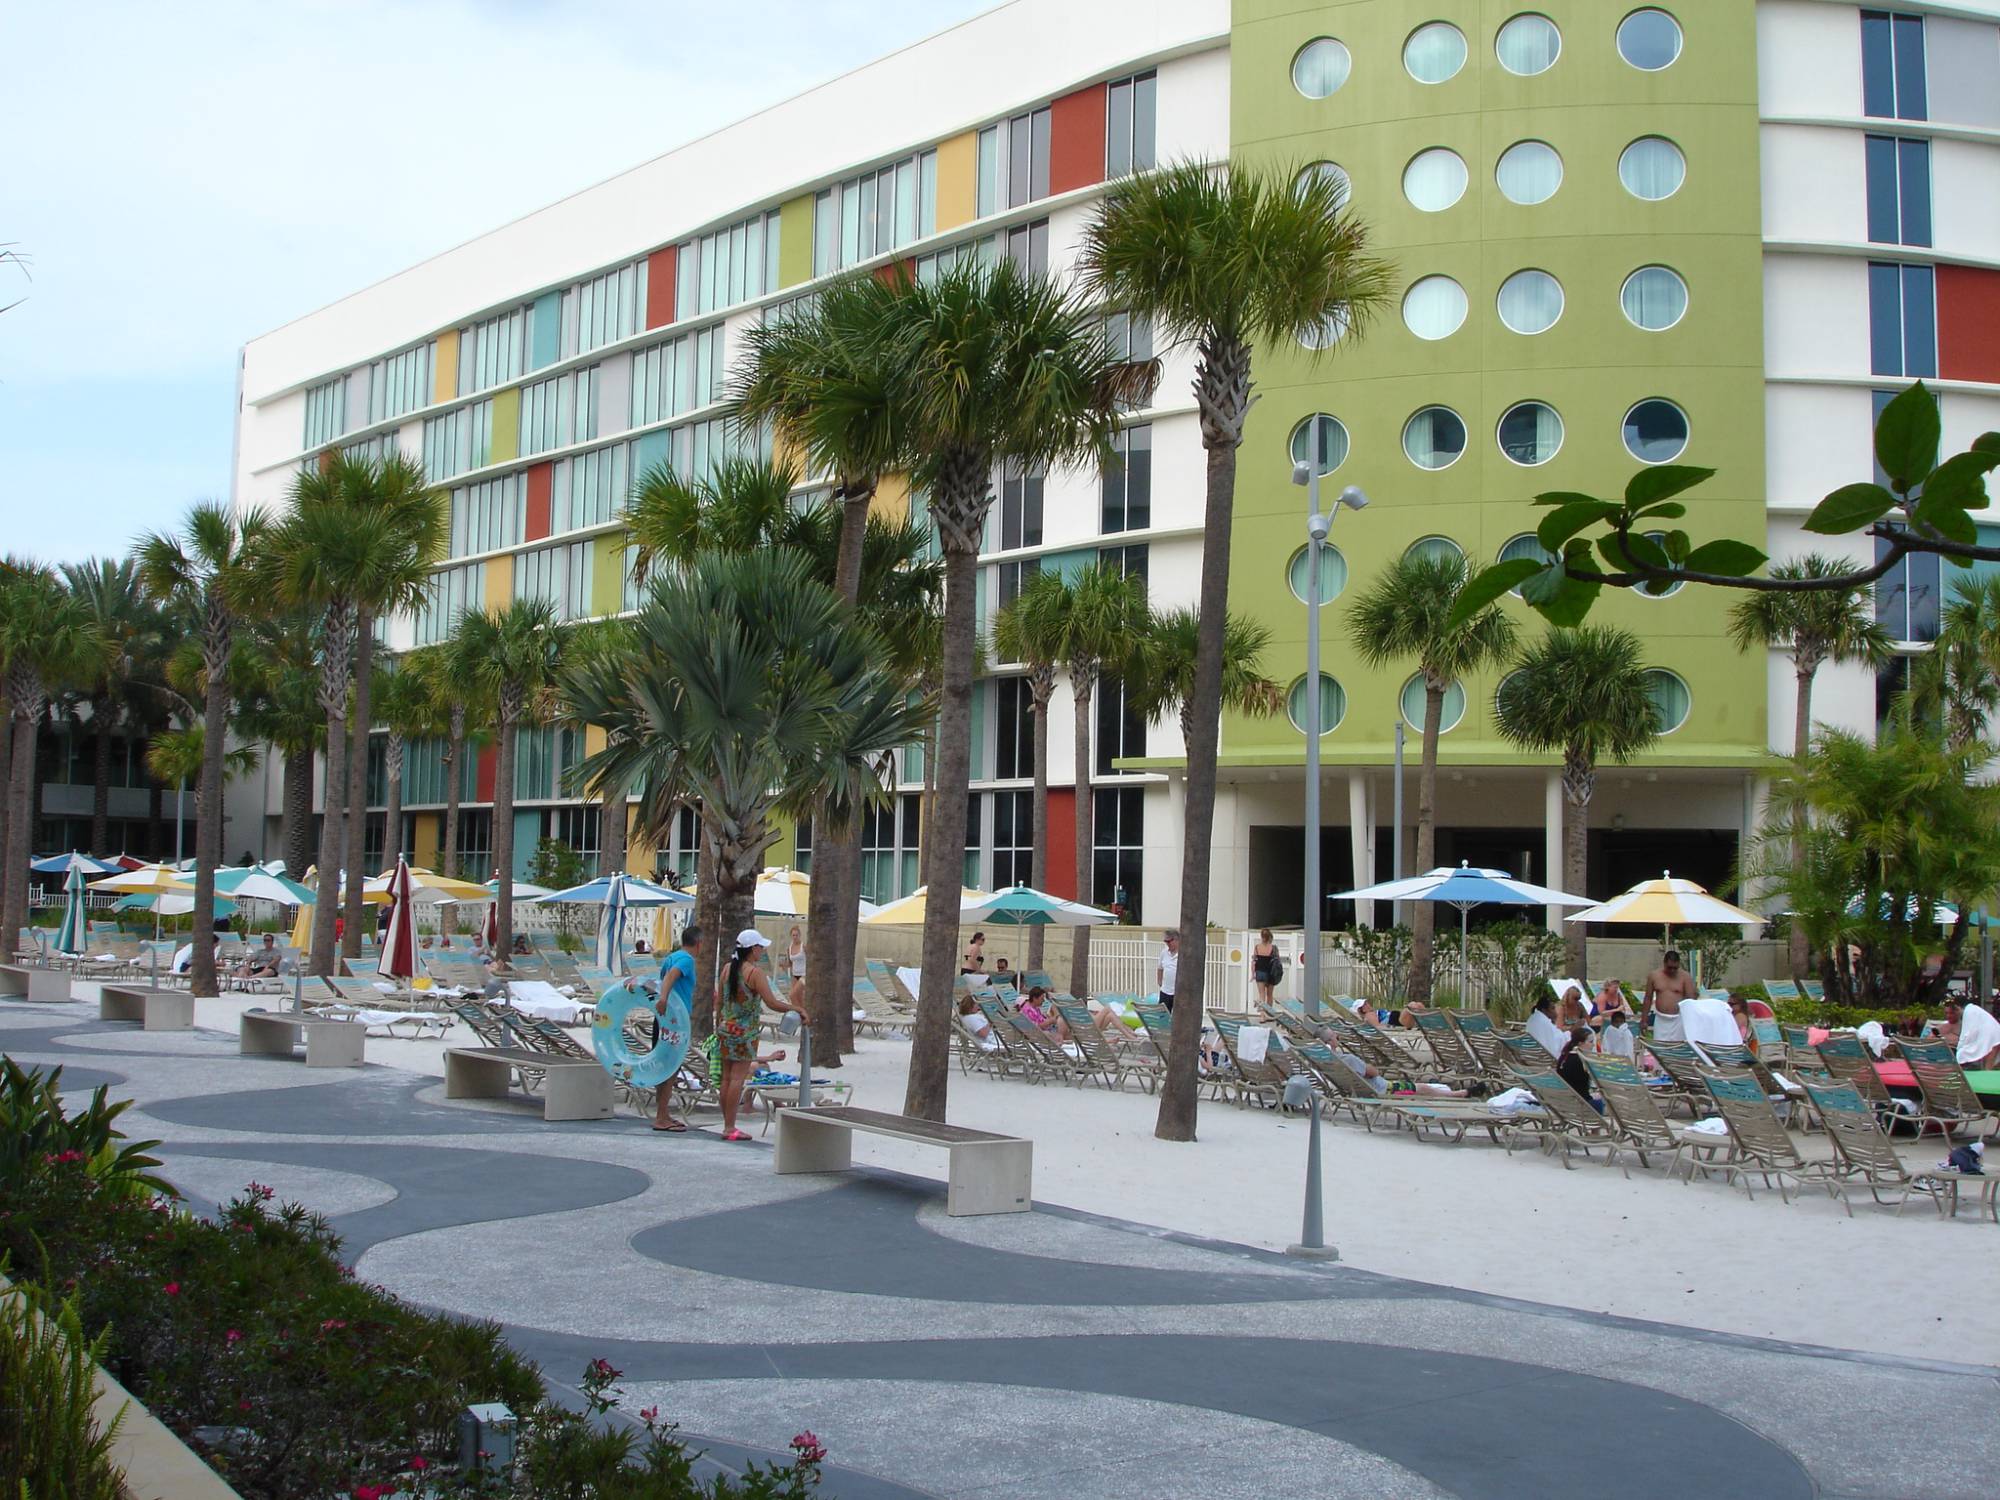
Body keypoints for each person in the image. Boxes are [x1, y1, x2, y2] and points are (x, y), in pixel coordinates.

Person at [714, 929, 802, 1142]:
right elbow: (771, 1003)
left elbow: (719, 1001)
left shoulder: (727, 969)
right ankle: (730, 1127)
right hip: (745, 1033)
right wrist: (797, 1009)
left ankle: (727, 1123)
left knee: (726, 1078)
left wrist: (718, 1025)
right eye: (760, 947)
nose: (762, 951)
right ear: (753, 949)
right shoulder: (754, 974)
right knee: (737, 1079)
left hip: (725, 1028)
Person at [650, 927, 704, 1133]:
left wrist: (662, 999)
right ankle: (661, 1117)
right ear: (698, 943)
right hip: (674, 1020)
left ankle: (662, 1114)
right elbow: (671, 977)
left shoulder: (671, 957)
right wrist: (663, 999)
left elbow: (665, 977)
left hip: (662, 1018)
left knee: (664, 1066)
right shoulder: (687, 960)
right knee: (671, 1067)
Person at [1640, 949, 1697, 1042]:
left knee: (1678, 1049)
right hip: (1660, 1019)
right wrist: (1644, 1020)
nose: (1672, 970)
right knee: (1660, 1049)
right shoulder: (1654, 976)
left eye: (1675, 968)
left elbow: (1691, 1001)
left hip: (1679, 1019)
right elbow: (1648, 998)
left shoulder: (1685, 977)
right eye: (1669, 967)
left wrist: (1692, 1023)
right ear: (1664, 963)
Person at [1942, 998, 2000, 1070]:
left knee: (1988, 1059)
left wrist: (1961, 1046)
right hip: (1994, 1034)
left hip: (1992, 1035)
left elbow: (1969, 1032)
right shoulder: (1972, 1009)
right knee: (1989, 1063)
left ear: (1958, 1008)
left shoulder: (1968, 1012)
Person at [1555, 1026, 1600, 1110]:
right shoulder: (1581, 1060)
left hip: (1566, 1102)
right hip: (1582, 1106)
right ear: (1580, 1043)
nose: (1593, 1044)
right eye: (1590, 1042)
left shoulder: (1564, 1056)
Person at [1251, 928, 1280, 1007]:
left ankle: (1262, 1016)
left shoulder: (1257, 947)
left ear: (1261, 936)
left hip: (1260, 972)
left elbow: (1254, 962)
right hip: (1271, 973)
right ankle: (1269, 1014)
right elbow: (1278, 962)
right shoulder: (1274, 948)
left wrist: (1253, 974)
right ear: (1270, 937)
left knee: (1261, 995)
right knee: (1269, 995)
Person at [1157, 929, 1180, 1011]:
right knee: (1162, 1015)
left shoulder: (1183, 954)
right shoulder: (1164, 953)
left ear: (1176, 940)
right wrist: (1160, 982)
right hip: (1165, 991)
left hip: (1178, 993)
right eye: (1165, 941)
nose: (1167, 944)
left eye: (1169, 941)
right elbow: (1160, 968)